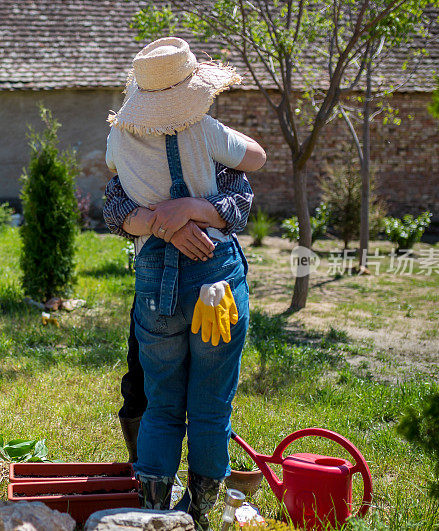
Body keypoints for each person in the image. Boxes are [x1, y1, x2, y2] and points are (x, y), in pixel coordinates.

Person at [104, 37, 266, 529]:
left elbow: (119, 199)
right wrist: (195, 207)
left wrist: (162, 219)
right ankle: (197, 513)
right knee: (212, 405)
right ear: (191, 89)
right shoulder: (206, 129)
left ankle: (152, 514)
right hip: (214, 277)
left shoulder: (120, 139)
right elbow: (256, 157)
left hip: (156, 279)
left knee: (162, 399)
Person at [103, 164, 254, 461]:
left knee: (206, 397)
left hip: (210, 278)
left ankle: (181, 488)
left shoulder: (212, 146)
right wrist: (171, 227)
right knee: (142, 386)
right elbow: (114, 209)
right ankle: (146, 473)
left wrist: (188, 208)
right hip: (156, 285)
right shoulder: (134, 147)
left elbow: (240, 202)